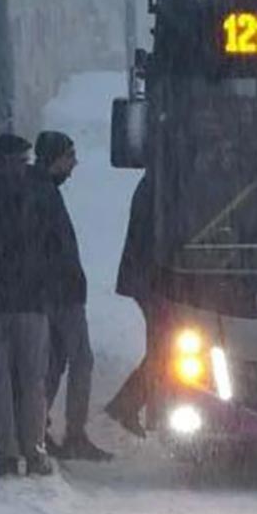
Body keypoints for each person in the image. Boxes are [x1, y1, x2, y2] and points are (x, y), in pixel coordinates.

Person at [0, 134, 62, 477]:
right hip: (30, 301)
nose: (25, 167)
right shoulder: (38, 196)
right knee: (33, 380)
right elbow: (53, 247)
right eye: (21, 161)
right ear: (6, 161)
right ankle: (35, 450)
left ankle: (7, 451)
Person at [33, 131, 112, 461]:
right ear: (55, 159)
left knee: (53, 363)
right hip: (62, 294)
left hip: (51, 291)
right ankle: (72, 433)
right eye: (69, 157)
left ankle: (38, 428)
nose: (74, 165)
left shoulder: (39, 191)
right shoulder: (44, 195)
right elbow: (53, 249)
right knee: (79, 360)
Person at [104, 173, 157, 437]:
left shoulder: (155, 181)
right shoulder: (162, 184)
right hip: (154, 279)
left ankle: (130, 403)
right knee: (165, 349)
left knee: (163, 348)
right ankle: (128, 403)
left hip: (148, 277)